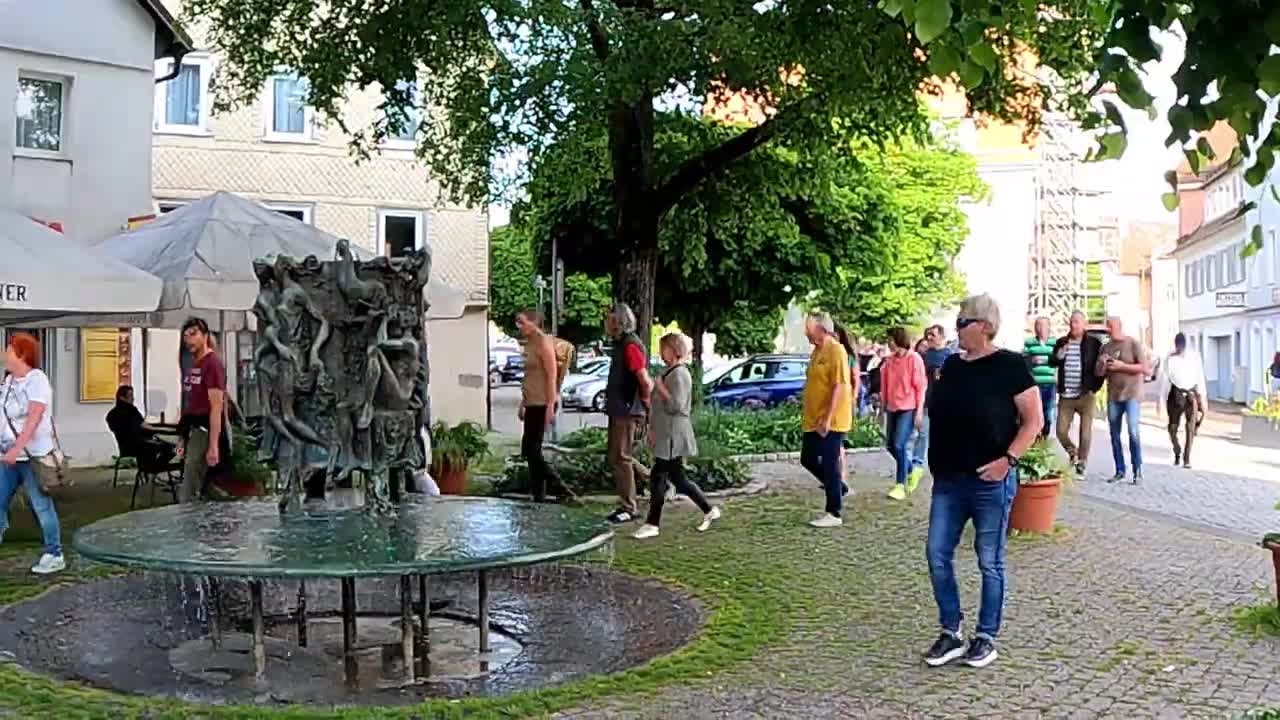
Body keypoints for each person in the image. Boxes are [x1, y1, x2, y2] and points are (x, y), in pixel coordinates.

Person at [923, 294, 1040, 669]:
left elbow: (1033, 421)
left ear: (984, 327)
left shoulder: (1010, 366)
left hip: (990, 480)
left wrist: (1008, 461)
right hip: (949, 479)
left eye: (962, 322)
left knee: (989, 560)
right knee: (937, 554)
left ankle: (986, 636)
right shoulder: (952, 366)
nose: (956, 328)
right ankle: (951, 631)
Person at [634, 333, 720, 539]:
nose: (660, 351)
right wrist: (652, 429)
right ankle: (709, 510)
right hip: (666, 434)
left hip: (673, 435)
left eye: (663, 347)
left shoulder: (679, 374)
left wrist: (661, 389)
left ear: (673, 349)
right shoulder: (670, 372)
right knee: (678, 479)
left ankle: (652, 523)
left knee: (659, 478)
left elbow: (677, 406)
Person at [0, 333, 65, 574]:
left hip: (32, 456)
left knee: (41, 505)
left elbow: (34, 418)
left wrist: (17, 448)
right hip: (9, 456)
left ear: (22, 354)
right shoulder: (9, 383)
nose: (5, 355)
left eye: (8, 350)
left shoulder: (37, 380)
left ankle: (55, 553)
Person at [800, 312, 854, 528]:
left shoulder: (836, 350)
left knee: (830, 463)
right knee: (808, 458)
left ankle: (834, 512)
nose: (805, 332)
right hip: (813, 418)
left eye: (808, 328)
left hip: (832, 419)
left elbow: (839, 385)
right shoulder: (816, 352)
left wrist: (827, 418)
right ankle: (838, 488)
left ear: (821, 329)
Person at [603, 303, 652, 524]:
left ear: (618, 322)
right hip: (619, 408)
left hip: (627, 409)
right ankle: (657, 479)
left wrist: (645, 406)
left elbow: (643, 379)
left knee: (620, 458)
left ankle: (629, 507)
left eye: (609, 319)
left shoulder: (630, 346)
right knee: (617, 456)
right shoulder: (621, 345)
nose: (606, 322)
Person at [515, 310, 567, 502]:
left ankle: (558, 485)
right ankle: (539, 494)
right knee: (529, 450)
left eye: (522, 322)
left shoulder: (544, 341)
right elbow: (529, 376)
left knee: (532, 449)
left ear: (533, 322)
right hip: (531, 401)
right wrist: (523, 402)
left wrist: (550, 405)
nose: (519, 326)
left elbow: (552, 374)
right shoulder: (529, 344)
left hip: (542, 402)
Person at [176, 317, 229, 502]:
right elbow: (190, 402)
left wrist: (213, 445)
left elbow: (216, 407)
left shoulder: (212, 364)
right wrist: (182, 437)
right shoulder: (194, 364)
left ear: (205, 336)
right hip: (193, 427)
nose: (189, 339)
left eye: (193, 334)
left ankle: (189, 521)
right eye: (185, 336)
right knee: (200, 484)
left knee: (190, 485)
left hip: (204, 430)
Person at [1047, 311, 1103, 476]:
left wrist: (1094, 387)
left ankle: (1082, 463)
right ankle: (1073, 452)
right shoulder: (1062, 342)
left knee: (1085, 431)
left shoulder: (1093, 343)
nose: (1073, 325)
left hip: (1085, 394)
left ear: (1083, 324)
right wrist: (1058, 356)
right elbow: (1052, 361)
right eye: (1071, 322)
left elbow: (1099, 368)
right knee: (1060, 431)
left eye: (1077, 322)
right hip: (1066, 395)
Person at [1096, 317, 1150, 483]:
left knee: (1133, 431)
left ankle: (1137, 470)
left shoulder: (1132, 343)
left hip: (1132, 393)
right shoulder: (1106, 347)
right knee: (1114, 433)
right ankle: (1120, 470)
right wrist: (1102, 363)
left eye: (1112, 327)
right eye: (1108, 327)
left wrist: (1122, 366)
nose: (1110, 330)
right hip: (1114, 394)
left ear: (1120, 327)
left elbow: (1145, 369)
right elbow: (1098, 374)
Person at [880, 327, 926, 501]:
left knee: (899, 444)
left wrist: (919, 412)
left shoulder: (914, 359)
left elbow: (920, 387)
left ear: (898, 339)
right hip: (893, 407)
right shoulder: (889, 361)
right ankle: (910, 469)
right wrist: (882, 407)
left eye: (890, 339)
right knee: (890, 445)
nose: (889, 343)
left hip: (908, 407)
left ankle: (900, 485)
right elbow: (884, 385)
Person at [910, 325, 953, 486]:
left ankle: (944, 469)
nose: (929, 338)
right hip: (927, 402)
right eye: (927, 335)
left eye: (932, 335)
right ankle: (917, 467)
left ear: (942, 336)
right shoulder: (923, 356)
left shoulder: (950, 356)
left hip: (944, 404)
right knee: (923, 435)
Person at [1159, 333, 1206, 469]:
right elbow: (1165, 379)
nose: (1179, 350)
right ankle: (1177, 449)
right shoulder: (1170, 358)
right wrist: (1160, 399)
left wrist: (1203, 398)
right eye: (1177, 347)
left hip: (1191, 393)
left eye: (1181, 347)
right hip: (1176, 393)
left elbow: (1200, 377)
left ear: (1184, 345)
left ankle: (1187, 458)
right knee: (1172, 427)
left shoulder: (1194, 357)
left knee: (1190, 428)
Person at [106, 385, 176, 467]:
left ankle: (149, 468)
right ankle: (153, 468)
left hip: (125, 449)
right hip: (139, 445)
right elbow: (144, 426)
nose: (133, 398)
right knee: (170, 448)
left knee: (156, 445)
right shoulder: (131, 410)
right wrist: (162, 430)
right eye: (130, 395)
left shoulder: (111, 414)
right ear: (122, 397)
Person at [1023, 317, 1057, 438]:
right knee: (1036, 413)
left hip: (1050, 382)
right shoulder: (1029, 342)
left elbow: (1059, 360)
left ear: (1049, 327)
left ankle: (1045, 435)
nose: (1040, 328)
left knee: (1048, 413)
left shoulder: (1055, 343)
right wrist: (1032, 360)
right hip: (1035, 384)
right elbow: (1024, 361)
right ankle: (1036, 437)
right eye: (1037, 325)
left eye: (1043, 325)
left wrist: (1047, 360)